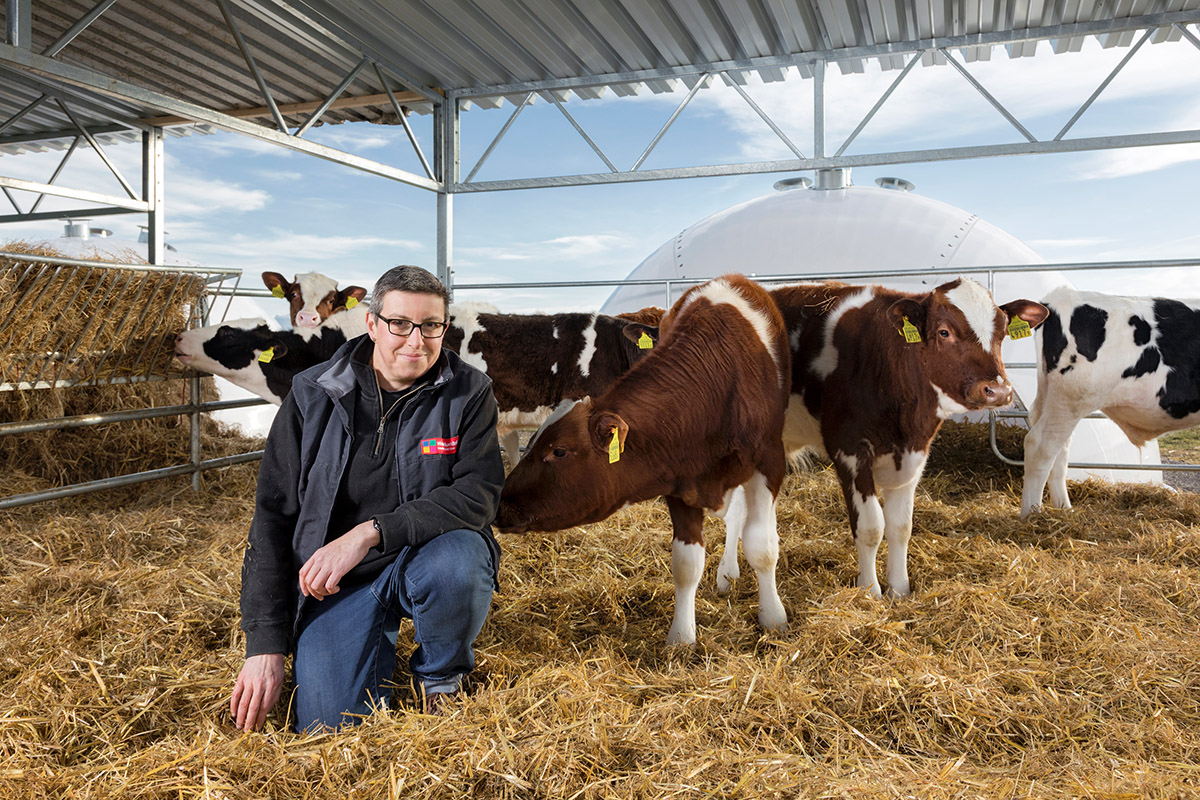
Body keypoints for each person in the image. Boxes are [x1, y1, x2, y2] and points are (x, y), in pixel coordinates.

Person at [230, 265, 504, 733]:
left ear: (444, 328)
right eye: (400, 324)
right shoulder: (313, 393)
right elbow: (273, 515)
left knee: (460, 560)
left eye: (431, 326)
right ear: (372, 324)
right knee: (328, 727)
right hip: (337, 583)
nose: (416, 341)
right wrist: (265, 645)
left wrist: (371, 533)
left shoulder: (467, 392)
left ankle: (440, 680)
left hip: (423, 556)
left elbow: (477, 494)